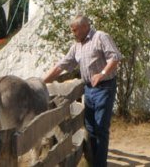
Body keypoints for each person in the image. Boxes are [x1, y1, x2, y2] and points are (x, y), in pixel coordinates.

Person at [42, 14, 122, 167]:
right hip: (89, 90)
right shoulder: (77, 46)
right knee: (91, 128)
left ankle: (100, 165)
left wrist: (102, 73)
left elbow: (115, 57)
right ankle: (94, 162)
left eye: (75, 30)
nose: (73, 34)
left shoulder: (100, 37)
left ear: (85, 27)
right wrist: (41, 82)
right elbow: (61, 66)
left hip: (104, 87)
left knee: (100, 128)